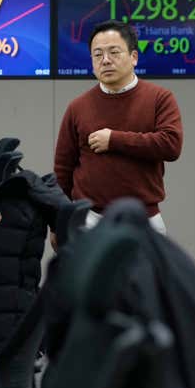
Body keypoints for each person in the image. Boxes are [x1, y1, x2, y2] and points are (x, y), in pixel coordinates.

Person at [54, 20, 183, 235]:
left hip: (144, 219)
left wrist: (114, 140)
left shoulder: (160, 98)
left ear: (134, 57)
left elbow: (171, 145)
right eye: (98, 55)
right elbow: (63, 170)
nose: (105, 60)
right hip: (89, 220)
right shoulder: (78, 107)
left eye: (114, 52)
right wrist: (58, 222)